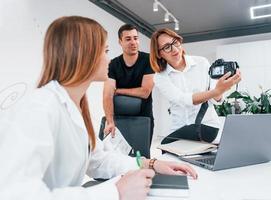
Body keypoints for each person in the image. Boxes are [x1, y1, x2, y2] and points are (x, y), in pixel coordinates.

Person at [0, 17, 197, 200]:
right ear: (85, 55)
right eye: (105, 51)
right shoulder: (38, 109)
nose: (109, 60)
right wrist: (114, 192)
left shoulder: (75, 109)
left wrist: (152, 164)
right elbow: (15, 193)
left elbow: (100, 161)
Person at [149, 28, 241, 144]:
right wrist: (216, 91)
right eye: (167, 47)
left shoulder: (202, 62)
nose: (174, 49)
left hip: (207, 125)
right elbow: (182, 99)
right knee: (167, 150)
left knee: (165, 145)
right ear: (159, 53)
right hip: (179, 128)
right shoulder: (160, 77)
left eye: (175, 42)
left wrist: (222, 88)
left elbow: (216, 99)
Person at [103, 24, 154, 145]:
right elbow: (107, 95)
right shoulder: (113, 64)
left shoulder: (148, 60)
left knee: (142, 157)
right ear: (120, 42)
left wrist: (119, 91)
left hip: (144, 118)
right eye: (128, 39)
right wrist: (110, 121)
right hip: (118, 118)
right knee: (118, 158)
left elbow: (145, 92)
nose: (133, 42)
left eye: (135, 38)